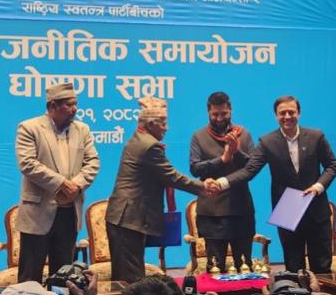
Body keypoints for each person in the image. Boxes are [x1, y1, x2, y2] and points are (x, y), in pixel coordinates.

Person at [218, 95, 336, 273]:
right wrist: (223, 182)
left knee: (322, 268)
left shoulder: (316, 136)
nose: (287, 116)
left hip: (317, 210)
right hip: (287, 211)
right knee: (293, 268)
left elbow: (332, 165)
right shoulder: (267, 142)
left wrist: (318, 187)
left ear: (299, 113)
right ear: (276, 115)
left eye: (291, 112)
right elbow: (249, 170)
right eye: (282, 113)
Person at [106, 96, 217, 283]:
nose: (167, 128)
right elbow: (171, 176)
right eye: (163, 123)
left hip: (125, 218)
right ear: (151, 124)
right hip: (128, 218)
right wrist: (202, 187)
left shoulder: (139, 137)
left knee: (126, 277)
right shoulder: (150, 145)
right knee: (131, 280)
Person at [15, 83, 100, 283]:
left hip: (69, 213)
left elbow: (93, 162)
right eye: (69, 105)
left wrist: (77, 184)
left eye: (76, 104)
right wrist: (62, 183)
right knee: (30, 277)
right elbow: (27, 164)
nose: (75, 109)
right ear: (53, 105)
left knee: (64, 276)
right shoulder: (29, 127)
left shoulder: (82, 129)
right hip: (38, 213)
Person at [189, 91, 255, 272]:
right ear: (208, 113)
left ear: (231, 110)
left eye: (224, 113)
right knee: (215, 269)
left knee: (244, 268)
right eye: (215, 114)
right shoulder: (198, 136)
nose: (219, 118)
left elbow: (252, 167)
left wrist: (236, 151)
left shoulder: (244, 134)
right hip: (212, 212)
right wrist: (223, 159)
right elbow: (195, 169)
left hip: (241, 210)